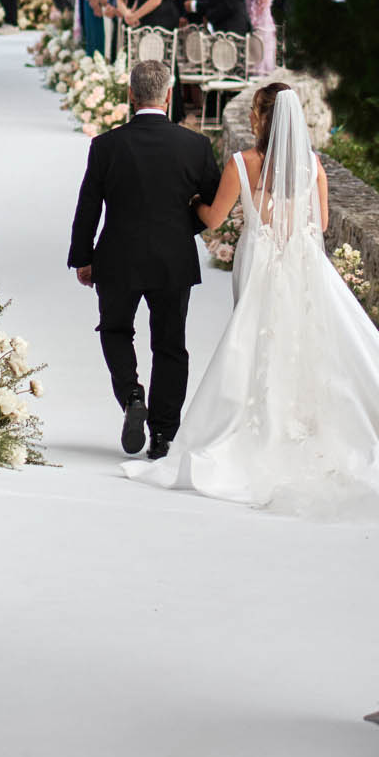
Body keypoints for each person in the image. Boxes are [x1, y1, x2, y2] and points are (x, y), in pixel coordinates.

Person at [130, 85, 379, 512]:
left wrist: (196, 203)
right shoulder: (312, 165)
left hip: (259, 266)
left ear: (259, 119)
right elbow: (320, 223)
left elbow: (214, 220)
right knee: (304, 345)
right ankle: (304, 426)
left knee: (255, 346)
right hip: (302, 266)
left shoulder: (243, 164)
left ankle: (262, 427)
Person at [68, 58, 222, 460]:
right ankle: (163, 434)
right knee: (170, 344)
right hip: (173, 259)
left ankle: (133, 396)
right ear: (168, 95)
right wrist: (180, 225)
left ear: (131, 95)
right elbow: (213, 204)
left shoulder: (106, 146)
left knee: (116, 331)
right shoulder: (195, 146)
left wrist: (84, 257)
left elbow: (89, 207)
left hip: (118, 256)